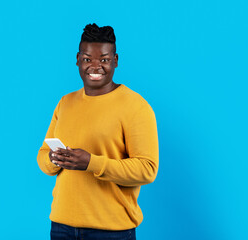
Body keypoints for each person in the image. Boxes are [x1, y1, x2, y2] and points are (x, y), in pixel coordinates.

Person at [37, 23, 159, 240]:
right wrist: (54, 158)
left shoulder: (136, 107)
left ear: (115, 61)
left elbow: (147, 169)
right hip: (61, 226)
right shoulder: (65, 103)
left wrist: (91, 163)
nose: (95, 67)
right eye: (87, 59)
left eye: (103, 60)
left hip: (110, 230)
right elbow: (43, 156)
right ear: (77, 60)